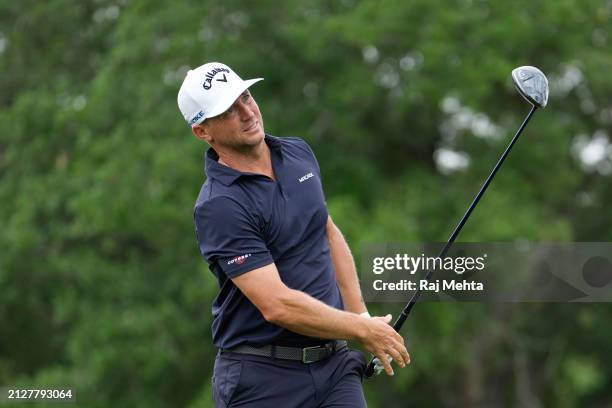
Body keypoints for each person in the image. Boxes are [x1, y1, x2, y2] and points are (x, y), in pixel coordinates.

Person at [177, 62, 410, 408]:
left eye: (246, 97)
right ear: (203, 131)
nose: (247, 113)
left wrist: (360, 316)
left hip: (334, 368)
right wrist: (360, 330)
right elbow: (276, 305)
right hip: (263, 379)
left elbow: (327, 232)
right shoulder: (219, 205)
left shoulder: (297, 153)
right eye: (228, 110)